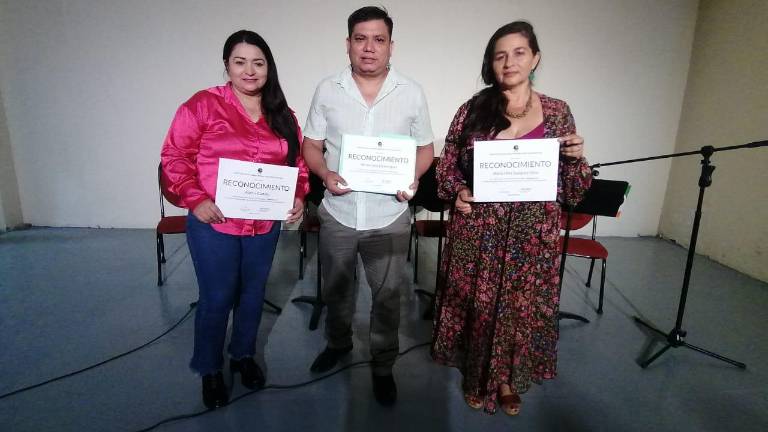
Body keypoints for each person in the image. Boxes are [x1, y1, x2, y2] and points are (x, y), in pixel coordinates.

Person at [430, 21, 592, 415]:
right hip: (479, 231)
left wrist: (575, 159)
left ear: (535, 58)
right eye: (499, 55)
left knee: (518, 309)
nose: (509, 62)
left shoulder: (557, 113)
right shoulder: (471, 111)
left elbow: (573, 191)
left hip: (531, 235)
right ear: (490, 63)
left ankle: (506, 380)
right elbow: (446, 168)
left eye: (519, 52)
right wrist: (459, 191)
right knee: (479, 307)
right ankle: (476, 376)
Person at [160, 30, 309, 409]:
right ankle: (210, 367)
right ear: (227, 65)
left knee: (253, 292)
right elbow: (174, 156)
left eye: (258, 62)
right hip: (215, 221)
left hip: (264, 223)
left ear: (269, 67)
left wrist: (298, 194)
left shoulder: (283, 114)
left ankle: (243, 354)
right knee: (217, 296)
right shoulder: (202, 105)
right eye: (240, 62)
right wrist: (195, 199)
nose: (249, 70)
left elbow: (297, 164)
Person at [302, 6, 434, 406]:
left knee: (388, 296)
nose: (369, 47)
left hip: (389, 215)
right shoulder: (327, 90)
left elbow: (425, 150)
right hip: (339, 213)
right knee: (337, 291)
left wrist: (413, 177)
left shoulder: (411, 92)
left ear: (391, 46)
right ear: (348, 44)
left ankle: (382, 364)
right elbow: (311, 145)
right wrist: (324, 173)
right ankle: (338, 343)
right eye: (361, 39)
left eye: (379, 39)